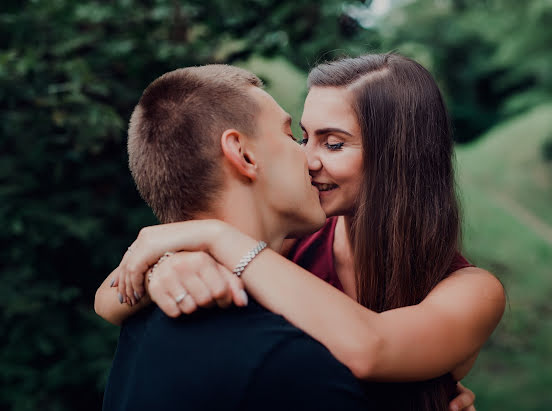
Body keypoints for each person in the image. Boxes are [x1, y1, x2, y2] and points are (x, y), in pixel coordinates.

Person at [98, 54, 503, 410]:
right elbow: (107, 301)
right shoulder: (297, 237)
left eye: (334, 144)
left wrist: (215, 238)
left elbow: (372, 348)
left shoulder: (473, 292)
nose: (308, 160)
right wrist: (164, 268)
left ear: (399, 157)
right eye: (304, 137)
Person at [100, 65, 370, 411]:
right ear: (243, 155)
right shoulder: (288, 361)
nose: (309, 159)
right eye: (292, 137)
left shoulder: (142, 322)